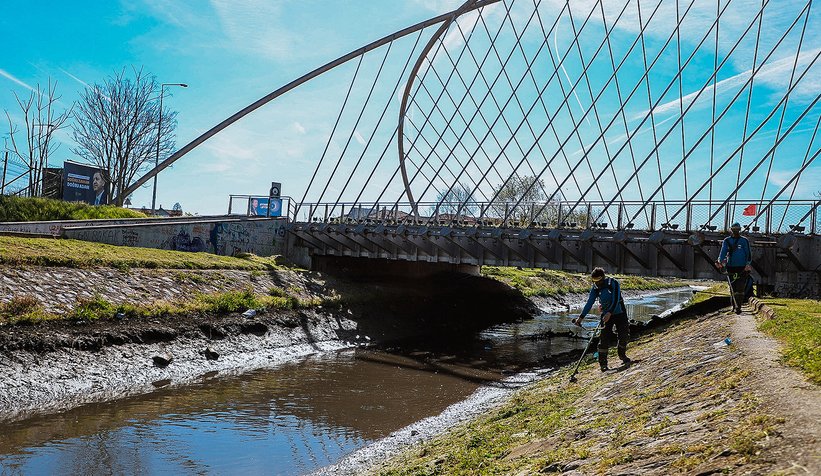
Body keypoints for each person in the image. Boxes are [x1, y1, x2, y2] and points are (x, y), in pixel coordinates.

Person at [572, 267, 631, 371]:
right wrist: (580, 318)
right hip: (605, 316)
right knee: (604, 339)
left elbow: (616, 299)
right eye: (594, 280)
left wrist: (609, 312)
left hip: (619, 313)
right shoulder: (595, 288)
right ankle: (603, 364)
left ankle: (622, 355)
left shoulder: (613, 283)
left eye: (598, 280)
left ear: (603, 277)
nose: (597, 283)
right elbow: (589, 303)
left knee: (624, 335)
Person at [715, 222, 752, 314]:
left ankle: (738, 307)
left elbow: (748, 253)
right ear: (731, 230)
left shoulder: (744, 241)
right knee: (733, 288)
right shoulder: (727, 241)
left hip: (742, 268)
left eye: (737, 229)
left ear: (739, 230)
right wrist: (720, 262)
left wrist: (748, 264)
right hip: (730, 267)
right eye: (734, 229)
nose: (736, 231)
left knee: (740, 289)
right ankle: (734, 306)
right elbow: (723, 253)